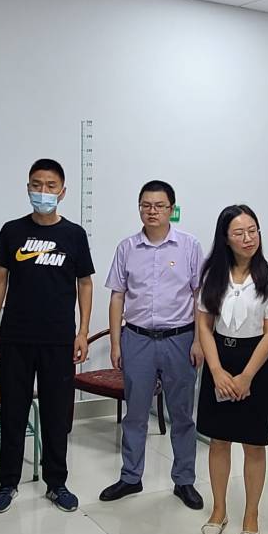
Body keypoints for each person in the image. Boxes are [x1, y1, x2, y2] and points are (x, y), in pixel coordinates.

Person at [0, 159, 94, 514]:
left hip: (59, 339)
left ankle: (56, 483)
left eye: (50, 186)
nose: (43, 191)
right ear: (28, 188)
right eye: (37, 184)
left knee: (56, 415)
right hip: (15, 336)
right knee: (12, 412)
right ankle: (7, 482)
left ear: (62, 192)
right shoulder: (12, 231)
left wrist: (83, 332)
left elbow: (85, 283)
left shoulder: (74, 235)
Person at [100, 181, 204, 509]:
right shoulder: (127, 248)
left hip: (180, 340)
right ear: (139, 208)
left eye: (159, 205)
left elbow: (200, 296)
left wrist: (200, 340)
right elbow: (117, 296)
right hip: (137, 339)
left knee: (182, 415)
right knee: (135, 414)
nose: (152, 211)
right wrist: (116, 343)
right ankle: (131, 476)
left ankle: (184, 480)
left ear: (171, 208)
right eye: (146, 205)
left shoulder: (189, 246)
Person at [194, 205, 268, 534]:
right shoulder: (212, 275)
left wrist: (246, 376)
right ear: (226, 238)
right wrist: (216, 370)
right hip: (219, 356)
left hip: (255, 362)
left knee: (254, 443)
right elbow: (204, 325)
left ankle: (251, 514)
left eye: (253, 230)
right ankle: (219, 510)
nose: (248, 238)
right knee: (219, 440)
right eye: (239, 233)